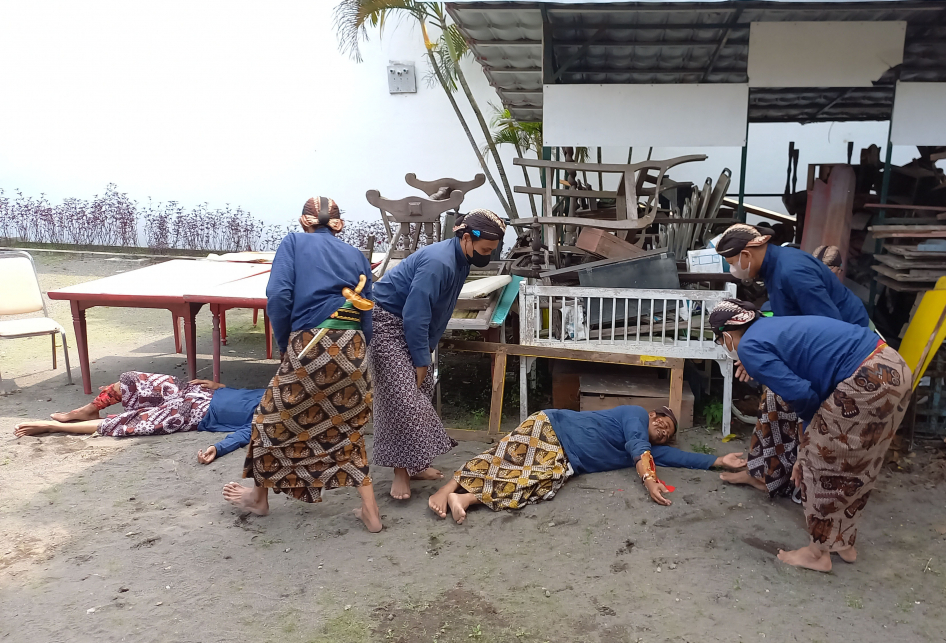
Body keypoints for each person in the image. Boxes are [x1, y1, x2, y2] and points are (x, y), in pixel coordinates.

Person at [708, 299, 911, 572]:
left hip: (865, 379)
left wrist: (808, 437)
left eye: (720, 341)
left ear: (727, 334)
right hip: (893, 366)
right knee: (860, 465)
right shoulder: (770, 323)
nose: (724, 347)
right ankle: (842, 543)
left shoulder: (749, 346)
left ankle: (818, 553)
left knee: (819, 463)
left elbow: (802, 394)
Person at [222, 196, 383, 533]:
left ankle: (259, 499)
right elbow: (369, 307)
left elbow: (279, 296)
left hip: (310, 342)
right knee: (346, 425)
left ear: (304, 220)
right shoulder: (356, 255)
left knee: (269, 419)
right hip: (353, 345)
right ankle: (371, 512)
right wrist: (359, 347)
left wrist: (286, 344)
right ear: (338, 225)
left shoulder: (293, 242)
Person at [714, 225, 869, 498]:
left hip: (845, 356)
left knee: (785, 401)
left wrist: (807, 415)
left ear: (747, 253)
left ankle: (801, 482)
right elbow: (789, 326)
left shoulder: (792, 272)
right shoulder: (776, 270)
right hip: (821, 351)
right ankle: (763, 472)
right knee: (772, 397)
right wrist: (762, 358)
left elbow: (829, 327)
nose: (733, 268)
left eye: (732, 261)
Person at [370, 209, 505, 501]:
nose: (488, 256)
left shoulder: (462, 260)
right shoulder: (438, 263)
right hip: (386, 321)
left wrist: (427, 347)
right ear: (466, 238)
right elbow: (415, 313)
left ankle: (417, 465)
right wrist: (421, 359)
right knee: (403, 397)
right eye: (485, 250)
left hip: (412, 324)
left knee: (421, 391)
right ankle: (400, 472)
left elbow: (438, 310)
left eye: (493, 251)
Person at [428, 405, 747, 524]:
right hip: (552, 427)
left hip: (566, 460)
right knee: (502, 460)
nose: (664, 432)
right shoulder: (635, 416)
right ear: (653, 415)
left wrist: (718, 460)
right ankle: (448, 487)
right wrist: (649, 480)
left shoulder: (645, 450)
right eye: (664, 423)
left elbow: (677, 457)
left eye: (668, 435)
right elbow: (639, 446)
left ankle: (465, 498)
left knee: (535, 486)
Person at [13, 372, 263, 464]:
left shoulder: (280, 415)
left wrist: (217, 449)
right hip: (199, 391)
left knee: (130, 424)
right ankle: (87, 409)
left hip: (194, 414)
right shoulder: (284, 388)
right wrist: (220, 385)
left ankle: (53, 426)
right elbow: (247, 394)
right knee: (132, 380)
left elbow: (245, 433)